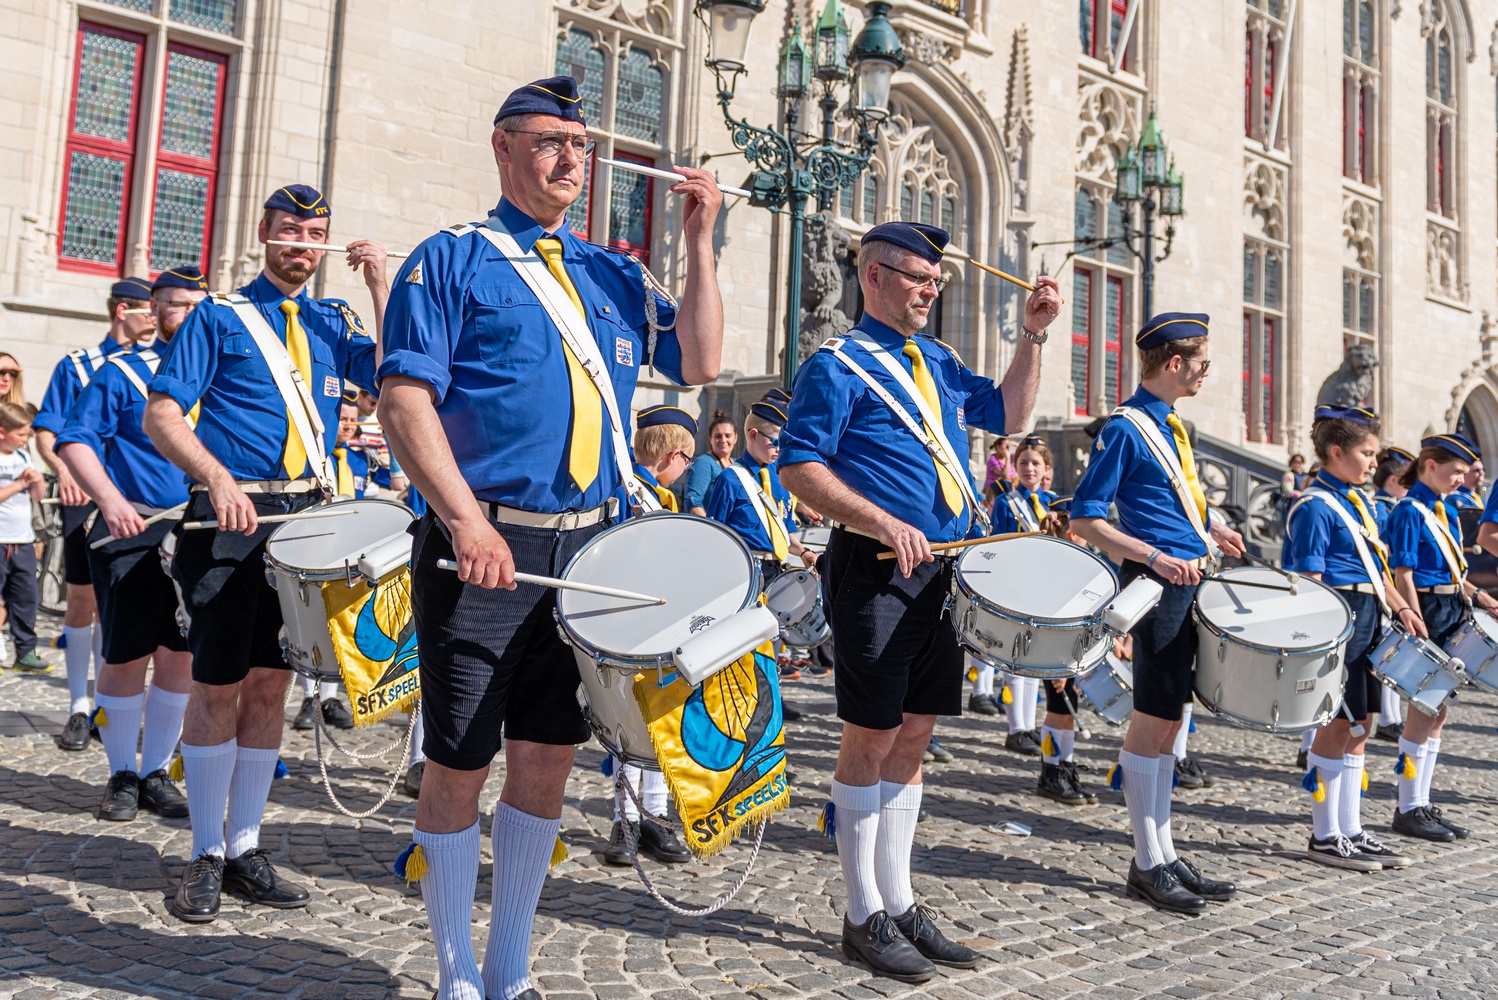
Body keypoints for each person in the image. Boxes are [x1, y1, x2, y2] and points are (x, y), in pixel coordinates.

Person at [376, 76, 723, 1000]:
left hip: (588, 553)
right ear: (503, 148)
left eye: (580, 145)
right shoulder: (449, 259)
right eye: (548, 142)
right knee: (458, 761)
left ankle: (509, 968)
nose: (570, 159)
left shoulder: (615, 273)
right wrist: (464, 518)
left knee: (547, 759)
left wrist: (698, 241)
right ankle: (455, 973)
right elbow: (404, 401)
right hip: (484, 547)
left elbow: (698, 361)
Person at [779, 220, 1060, 982]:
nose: (932, 291)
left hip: (943, 570)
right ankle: (861, 912)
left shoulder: (935, 359)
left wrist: (1033, 336)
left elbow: (1009, 417)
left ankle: (899, 901)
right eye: (918, 278)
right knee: (870, 736)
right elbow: (799, 467)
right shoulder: (836, 365)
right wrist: (878, 519)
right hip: (875, 567)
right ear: (873, 277)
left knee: (915, 733)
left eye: (937, 281)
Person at [142, 184, 386, 923]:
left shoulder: (333, 320)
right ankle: (204, 854)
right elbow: (162, 414)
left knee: (271, 688)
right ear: (264, 232)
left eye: (313, 234)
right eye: (289, 231)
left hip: (305, 524)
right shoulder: (219, 315)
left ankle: (245, 847)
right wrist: (215, 478)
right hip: (230, 520)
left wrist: (380, 286)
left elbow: (390, 382)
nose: (301, 245)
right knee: (217, 686)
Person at [1068, 313, 1247, 915]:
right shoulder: (1126, 428)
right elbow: (1086, 518)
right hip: (1158, 585)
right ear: (1175, 364)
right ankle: (1147, 862)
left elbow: (1168, 499)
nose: (1205, 373)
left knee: (1173, 720)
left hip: (1190, 578)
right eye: (1202, 364)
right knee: (1153, 717)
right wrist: (1154, 557)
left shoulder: (1170, 424)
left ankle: (1164, 853)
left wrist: (1211, 527)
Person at [54, 266, 210, 821]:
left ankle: (155, 772)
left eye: (195, 305)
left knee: (180, 657)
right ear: (154, 309)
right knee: (125, 655)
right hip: (134, 529)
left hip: (198, 533)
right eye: (174, 304)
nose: (185, 315)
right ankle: (121, 772)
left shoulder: (221, 372)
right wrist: (109, 500)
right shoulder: (121, 371)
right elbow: (75, 441)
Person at [1282, 405, 1418, 871]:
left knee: (1359, 724)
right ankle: (1324, 836)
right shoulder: (1315, 506)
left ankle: (1351, 828)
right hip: (1338, 618)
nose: (1374, 463)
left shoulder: (1357, 501)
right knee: (1335, 725)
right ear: (1337, 452)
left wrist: (1402, 608)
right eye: (1367, 453)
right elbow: (1311, 580)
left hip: (1368, 614)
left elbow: (1377, 570)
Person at [33, 277, 156, 741]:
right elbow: (47, 431)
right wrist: (64, 470)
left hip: (136, 503)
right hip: (84, 499)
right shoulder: (78, 365)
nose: (156, 316)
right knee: (81, 601)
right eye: (148, 308)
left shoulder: (154, 366)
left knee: (116, 607)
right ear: (123, 310)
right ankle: (79, 707)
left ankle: (107, 705)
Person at [1383, 433, 1496, 843]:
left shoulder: (1443, 507)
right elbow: (1404, 573)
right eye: (1456, 471)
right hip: (1427, 610)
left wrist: (1481, 596)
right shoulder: (1409, 510)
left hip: (1451, 607)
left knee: (1439, 711)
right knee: (1422, 709)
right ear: (1430, 466)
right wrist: (1415, 620)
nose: (1462, 479)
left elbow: (1453, 572)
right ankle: (1407, 807)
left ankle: (1421, 800)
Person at [601, 403, 696, 868]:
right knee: (629, 724)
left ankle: (654, 817)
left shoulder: (660, 496)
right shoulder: (627, 491)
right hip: (630, 622)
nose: (686, 470)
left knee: (661, 718)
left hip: (661, 624)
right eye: (687, 460)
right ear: (673, 455)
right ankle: (626, 820)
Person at [291, 399, 362, 732]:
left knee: (339, 620)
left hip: (350, 548)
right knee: (310, 619)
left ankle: (331, 699)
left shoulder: (360, 460)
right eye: (341, 418)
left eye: (352, 420)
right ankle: (311, 697)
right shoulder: (313, 459)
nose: (346, 425)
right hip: (317, 544)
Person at [988, 433, 1054, 755]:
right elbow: (996, 545)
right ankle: (1016, 729)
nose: (1029, 469)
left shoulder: (1054, 503)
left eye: (1036, 463)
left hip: (1045, 586)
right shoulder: (1005, 503)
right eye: (1023, 463)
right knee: (1015, 658)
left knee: (1034, 659)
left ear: (1046, 469)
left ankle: (1029, 725)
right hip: (1015, 584)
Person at [0, 403, 45, 671]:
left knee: (26, 598)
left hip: (22, 540)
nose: (25, 439)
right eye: (20, 434)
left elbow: (37, 496)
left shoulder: (23, 455)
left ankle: (26, 652)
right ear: (2, 432)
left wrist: (36, 480)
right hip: (0, 539)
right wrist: (19, 484)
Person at [684, 410, 736, 516]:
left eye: (728, 435)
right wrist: (710, 524)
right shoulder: (704, 463)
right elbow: (693, 501)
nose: (723, 440)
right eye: (718, 436)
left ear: (735, 438)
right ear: (710, 439)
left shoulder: (737, 464)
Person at [982, 436, 1014, 501]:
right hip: (994, 491)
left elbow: (1022, 451)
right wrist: (1007, 459)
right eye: (1006, 446)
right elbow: (1005, 475)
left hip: (1007, 489)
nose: (1008, 449)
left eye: (1008, 447)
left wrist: (1013, 443)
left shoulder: (1009, 456)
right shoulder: (993, 460)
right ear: (998, 447)